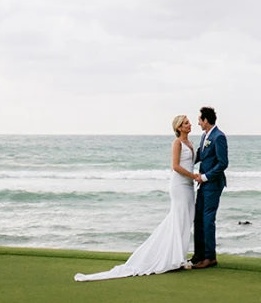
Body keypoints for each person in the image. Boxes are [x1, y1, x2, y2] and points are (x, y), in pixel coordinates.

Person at [73, 115, 197, 280]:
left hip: (189, 186)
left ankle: (180, 255)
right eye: (186, 123)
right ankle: (174, 258)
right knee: (179, 218)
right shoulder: (177, 143)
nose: (190, 125)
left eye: (189, 122)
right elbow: (175, 166)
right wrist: (193, 176)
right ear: (179, 127)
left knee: (187, 219)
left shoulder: (191, 143)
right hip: (179, 185)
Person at [190, 106, 228, 269]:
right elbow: (200, 155)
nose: (198, 123)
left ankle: (210, 257)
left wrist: (205, 176)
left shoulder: (219, 137)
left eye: (199, 120)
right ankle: (199, 253)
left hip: (212, 184)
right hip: (203, 185)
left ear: (206, 120)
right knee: (198, 218)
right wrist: (184, 160)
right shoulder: (204, 136)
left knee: (207, 220)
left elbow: (223, 163)